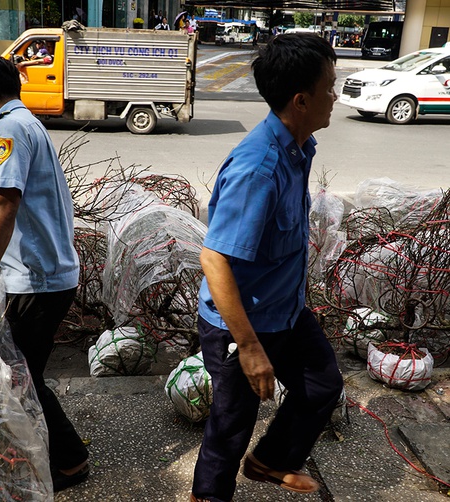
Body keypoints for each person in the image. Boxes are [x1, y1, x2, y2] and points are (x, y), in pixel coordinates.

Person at [190, 33, 344, 502]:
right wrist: (250, 348)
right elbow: (214, 260)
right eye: (330, 87)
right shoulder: (259, 167)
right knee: (231, 425)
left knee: (322, 385)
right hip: (242, 324)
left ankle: (270, 461)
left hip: (285, 311)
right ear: (301, 100)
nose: (335, 96)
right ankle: (207, 496)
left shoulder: (301, 146)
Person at [0, 54, 89, 492]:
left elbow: (4, 203)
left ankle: (70, 461)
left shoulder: (8, 130)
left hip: (37, 280)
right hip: (46, 274)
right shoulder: (26, 122)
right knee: (20, 373)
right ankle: (41, 451)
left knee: (19, 375)